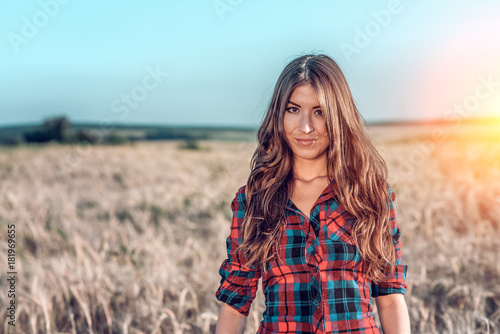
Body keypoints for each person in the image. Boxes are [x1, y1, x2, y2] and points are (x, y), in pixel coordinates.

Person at [214, 54, 410, 334]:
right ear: (278, 114)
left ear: (339, 116)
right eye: (293, 109)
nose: (305, 127)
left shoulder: (369, 195)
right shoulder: (254, 201)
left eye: (320, 112)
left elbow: (390, 297)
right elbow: (236, 304)